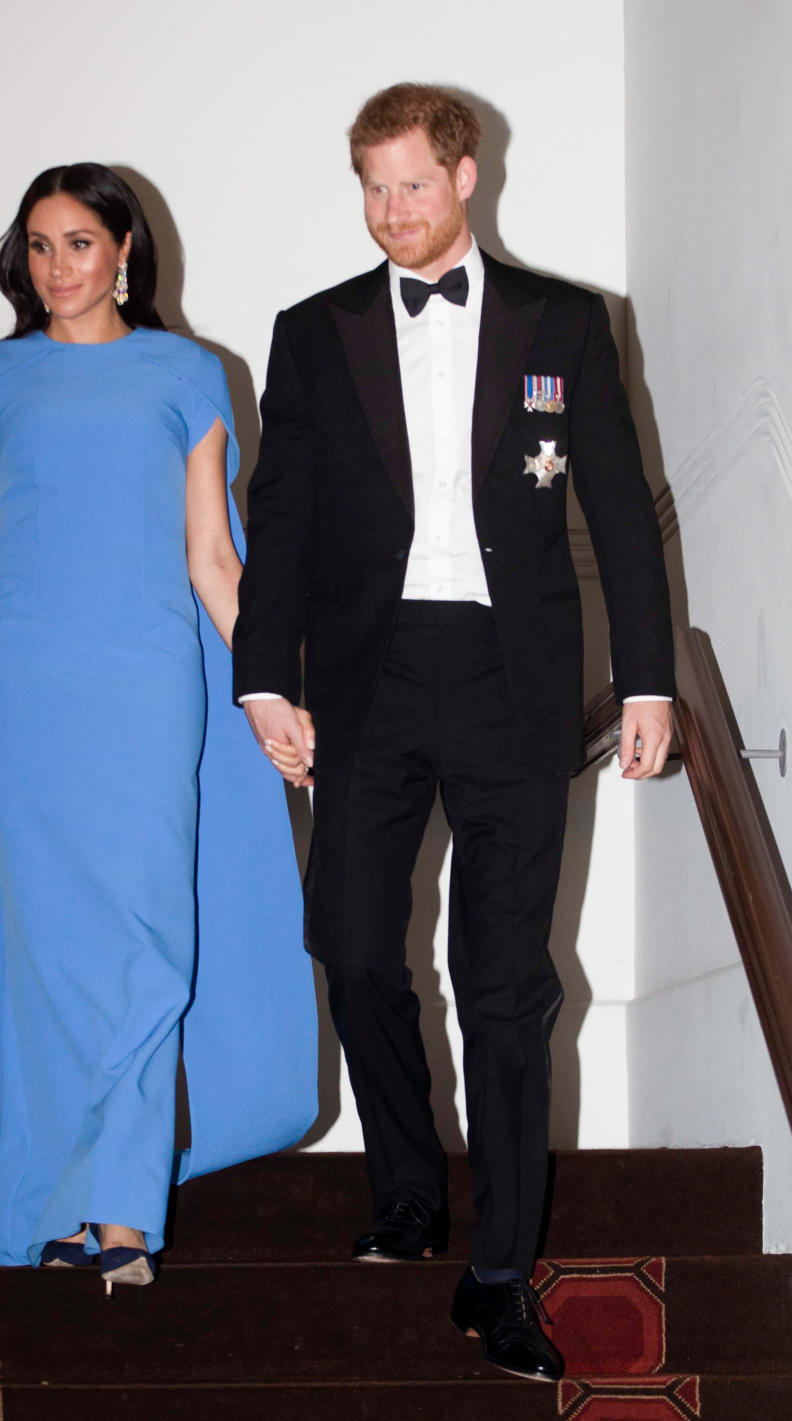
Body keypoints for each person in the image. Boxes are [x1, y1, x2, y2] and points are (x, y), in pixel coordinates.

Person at [233, 85, 674, 1380]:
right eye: (372, 188)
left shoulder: (565, 323)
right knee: (356, 947)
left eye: (412, 186)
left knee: (507, 987)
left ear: (466, 176)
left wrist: (646, 678)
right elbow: (286, 515)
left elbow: (623, 511)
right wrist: (266, 678)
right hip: (368, 682)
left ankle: (498, 1274)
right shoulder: (317, 334)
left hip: (513, 682)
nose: (391, 213)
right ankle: (409, 1185)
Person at [0, 163, 317, 1293]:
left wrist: (273, 691)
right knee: (51, 962)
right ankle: (55, 1207)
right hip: (26, 691)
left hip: (147, 686)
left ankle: (124, 1209)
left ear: (126, 249)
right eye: (38, 246)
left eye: (79, 243)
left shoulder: (187, 372)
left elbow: (212, 558)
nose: (57, 267)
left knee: (149, 953)